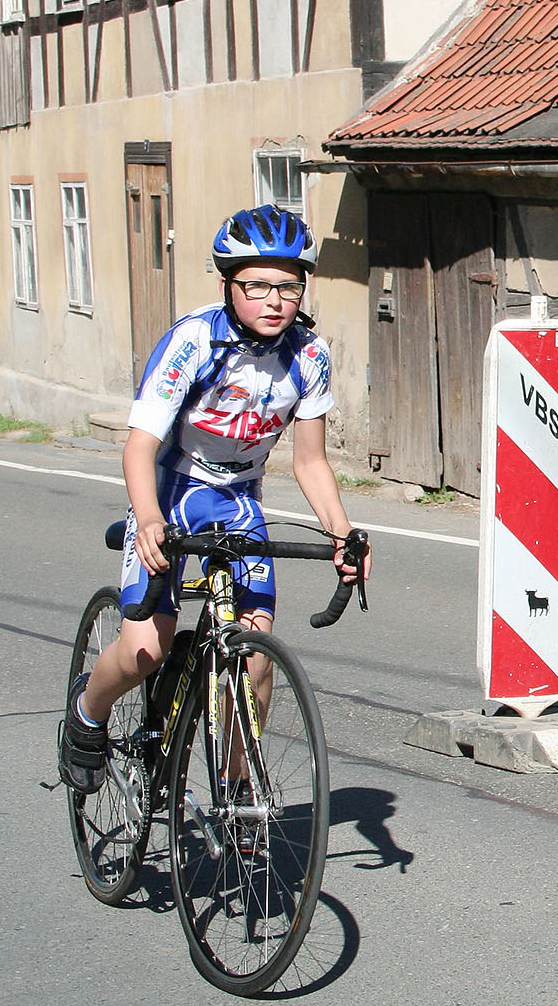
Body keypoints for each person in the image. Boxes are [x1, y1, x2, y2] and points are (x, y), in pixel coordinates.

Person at [59, 204, 369, 794]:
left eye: (289, 286)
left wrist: (341, 534)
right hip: (170, 492)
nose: (274, 301)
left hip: (237, 500)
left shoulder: (310, 355)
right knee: (146, 650)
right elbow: (139, 446)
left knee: (255, 659)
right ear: (229, 284)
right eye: (257, 286)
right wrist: (148, 519)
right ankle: (88, 712)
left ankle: (237, 794)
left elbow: (309, 460)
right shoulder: (193, 342)